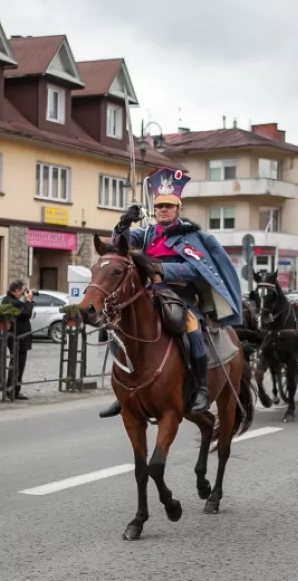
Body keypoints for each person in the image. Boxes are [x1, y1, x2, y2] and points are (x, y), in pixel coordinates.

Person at [98, 167, 243, 419]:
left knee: (191, 329)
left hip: (180, 297)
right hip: (145, 296)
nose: (164, 210)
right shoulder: (145, 235)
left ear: (178, 209)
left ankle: (200, 388)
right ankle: (124, 392)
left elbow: (194, 269)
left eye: (169, 205)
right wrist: (124, 222)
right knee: (116, 331)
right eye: (160, 206)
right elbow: (119, 246)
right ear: (154, 210)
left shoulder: (192, 237)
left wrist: (161, 269)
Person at [1, 281, 35, 400]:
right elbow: (26, 314)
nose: (22, 294)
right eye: (21, 291)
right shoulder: (11, 302)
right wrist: (29, 301)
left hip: (18, 337)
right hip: (18, 337)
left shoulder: (10, 300)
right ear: (16, 291)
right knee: (17, 364)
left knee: (16, 363)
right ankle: (12, 389)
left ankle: (13, 389)